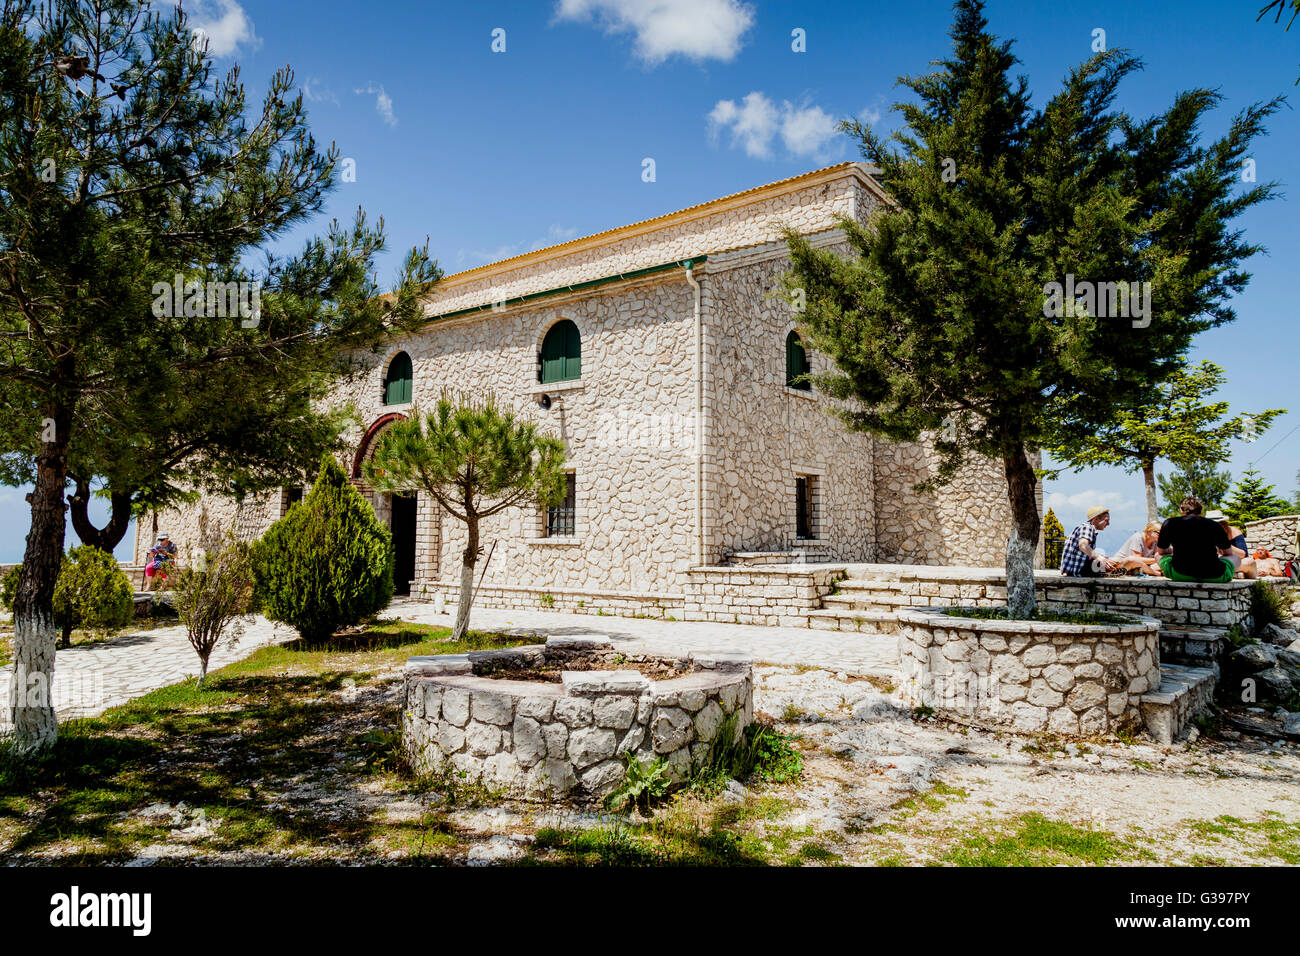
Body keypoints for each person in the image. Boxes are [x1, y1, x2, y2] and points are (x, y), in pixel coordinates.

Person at [1155, 497, 1234, 583]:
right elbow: (1228, 552)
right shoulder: (1214, 525)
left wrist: (1171, 551)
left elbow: (1161, 552)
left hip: (1179, 574)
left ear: (1182, 510)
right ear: (1200, 510)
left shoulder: (1169, 523)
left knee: (1157, 555)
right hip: (1215, 575)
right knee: (1235, 557)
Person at [1061, 506, 1112, 576]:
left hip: (1076, 569)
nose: (1108, 524)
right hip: (1079, 569)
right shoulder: (1087, 527)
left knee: (1109, 561)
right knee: (1121, 561)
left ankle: (1111, 571)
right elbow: (1083, 545)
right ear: (1096, 519)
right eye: (1106, 520)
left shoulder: (1088, 528)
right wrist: (1098, 557)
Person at [1204, 509, 1257, 579]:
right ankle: (1234, 575)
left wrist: (1225, 544)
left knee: (1250, 562)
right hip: (1212, 563)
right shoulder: (1204, 532)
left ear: (1224, 523)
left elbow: (1244, 554)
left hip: (1231, 562)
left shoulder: (1234, 532)